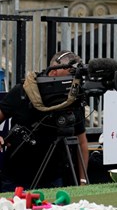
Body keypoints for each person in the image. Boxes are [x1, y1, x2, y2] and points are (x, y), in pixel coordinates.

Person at [0, 50, 89, 191]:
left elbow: (82, 142)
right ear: (53, 72)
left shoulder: (73, 98)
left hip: (53, 180)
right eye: (69, 75)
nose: (72, 80)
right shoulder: (22, 92)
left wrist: (83, 180)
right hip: (16, 180)